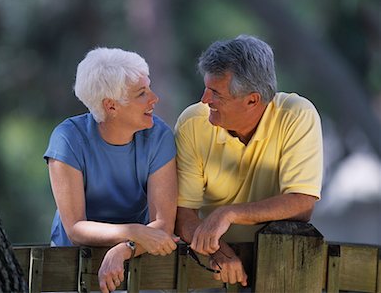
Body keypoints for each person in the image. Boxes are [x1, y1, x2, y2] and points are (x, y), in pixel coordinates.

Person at [174, 35, 323, 287]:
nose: (204, 100)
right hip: (212, 268)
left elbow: (302, 204)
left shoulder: (297, 115)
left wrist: (229, 213)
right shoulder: (192, 123)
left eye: (215, 93)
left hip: (280, 266)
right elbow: (182, 214)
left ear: (253, 100)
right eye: (206, 88)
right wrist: (219, 253)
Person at [44, 47, 179, 293]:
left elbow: (162, 226)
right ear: (111, 106)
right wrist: (133, 231)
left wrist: (126, 247)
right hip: (73, 266)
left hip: (138, 259)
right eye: (142, 93)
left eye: (149, 87)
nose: (154, 98)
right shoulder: (67, 139)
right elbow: (75, 228)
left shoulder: (159, 137)